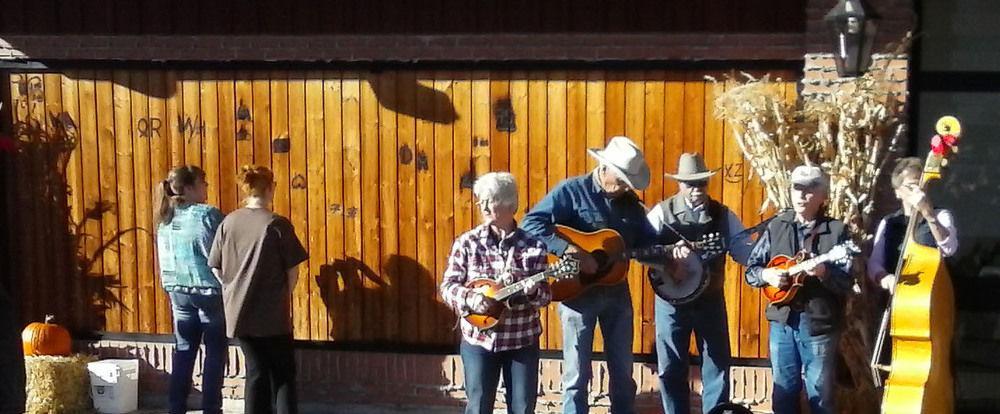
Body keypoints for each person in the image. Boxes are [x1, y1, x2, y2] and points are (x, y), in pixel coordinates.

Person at [521, 136, 659, 414]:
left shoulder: (631, 204)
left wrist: (667, 255)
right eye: (620, 180)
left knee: (622, 370)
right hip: (576, 294)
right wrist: (571, 250)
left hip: (617, 292)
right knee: (576, 374)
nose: (623, 187)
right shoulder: (572, 191)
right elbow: (531, 223)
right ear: (605, 168)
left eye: (627, 183)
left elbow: (646, 243)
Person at [646, 153, 753, 414]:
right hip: (671, 303)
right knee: (671, 366)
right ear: (679, 184)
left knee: (717, 364)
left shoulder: (723, 215)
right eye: (690, 184)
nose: (696, 190)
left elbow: (743, 250)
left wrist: (767, 257)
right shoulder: (662, 211)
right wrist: (669, 256)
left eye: (701, 183)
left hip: (710, 300)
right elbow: (642, 250)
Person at [744, 165, 853, 414]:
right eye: (797, 188)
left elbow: (846, 281)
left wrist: (825, 273)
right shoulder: (776, 226)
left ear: (823, 195)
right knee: (783, 392)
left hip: (819, 323)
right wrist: (767, 275)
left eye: (810, 189)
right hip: (782, 322)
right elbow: (752, 270)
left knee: (821, 396)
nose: (802, 195)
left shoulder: (837, 232)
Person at [440, 172, 552, 414]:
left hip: (521, 339)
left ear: (510, 204)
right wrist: (470, 298)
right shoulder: (467, 243)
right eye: (482, 200)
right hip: (478, 340)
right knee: (478, 407)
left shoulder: (534, 246)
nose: (484, 206)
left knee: (522, 408)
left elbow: (545, 296)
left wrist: (532, 292)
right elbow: (448, 286)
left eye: (491, 200)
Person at [209, 166, 308, 414]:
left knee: (256, 371)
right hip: (272, 315)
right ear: (270, 188)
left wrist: (232, 289)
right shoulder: (277, 224)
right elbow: (293, 269)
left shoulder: (228, 222)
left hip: (239, 312)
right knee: (283, 373)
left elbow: (215, 267)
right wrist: (284, 294)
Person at [155, 165, 226, 414]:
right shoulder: (207, 215)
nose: (206, 186)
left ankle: (176, 407)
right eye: (203, 182)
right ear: (188, 188)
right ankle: (211, 408)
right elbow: (218, 255)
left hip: (177, 290)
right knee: (215, 351)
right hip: (207, 289)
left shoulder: (164, 217)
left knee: (184, 349)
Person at [867, 157, 958, 293]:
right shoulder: (889, 222)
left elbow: (949, 249)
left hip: (930, 294)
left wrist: (928, 214)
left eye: (921, 185)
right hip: (898, 299)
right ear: (897, 192)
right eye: (911, 186)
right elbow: (874, 263)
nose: (918, 191)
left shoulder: (940, 215)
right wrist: (886, 278)